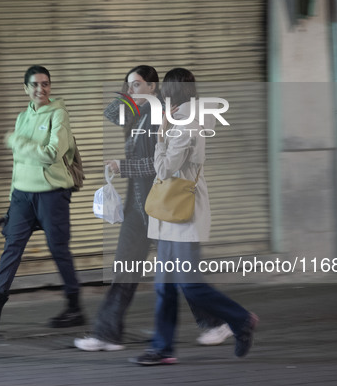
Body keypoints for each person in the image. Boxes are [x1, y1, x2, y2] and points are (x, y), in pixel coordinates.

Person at [74, 66, 228, 352]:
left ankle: (216, 322)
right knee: (124, 270)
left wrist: (123, 167)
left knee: (182, 272)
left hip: (161, 206)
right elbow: (109, 114)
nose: (131, 90)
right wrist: (130, 92)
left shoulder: (162, 119)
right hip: (137, 210)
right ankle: (107, 334)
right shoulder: (135, 114)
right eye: (128, 85)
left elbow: (159, 167)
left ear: (154, 88)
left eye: (138, 85)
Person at [132, 68, 258, 366]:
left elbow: (164, 168)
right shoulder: (184, 116)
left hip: (183, 212)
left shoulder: (185, 121)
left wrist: (161, 135)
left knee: (188, 283)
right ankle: (163, 349)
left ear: (172, 92)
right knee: (164, 285)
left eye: (165, 89)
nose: (161, 94)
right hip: (170, 211)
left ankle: (240, 320)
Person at [0, 65, 84, 330]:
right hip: (22, 195)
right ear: (26, 88)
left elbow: (53, 152)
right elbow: (18, 162)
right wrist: (12, 200)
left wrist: (18, 143)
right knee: (12, 247)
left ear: (50, 87)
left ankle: (75, 307)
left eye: (45, 84)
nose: (40, 89)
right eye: (34, 84)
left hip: (52, 194)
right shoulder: (21, 118)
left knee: (58, 249)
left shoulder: (59, 114)